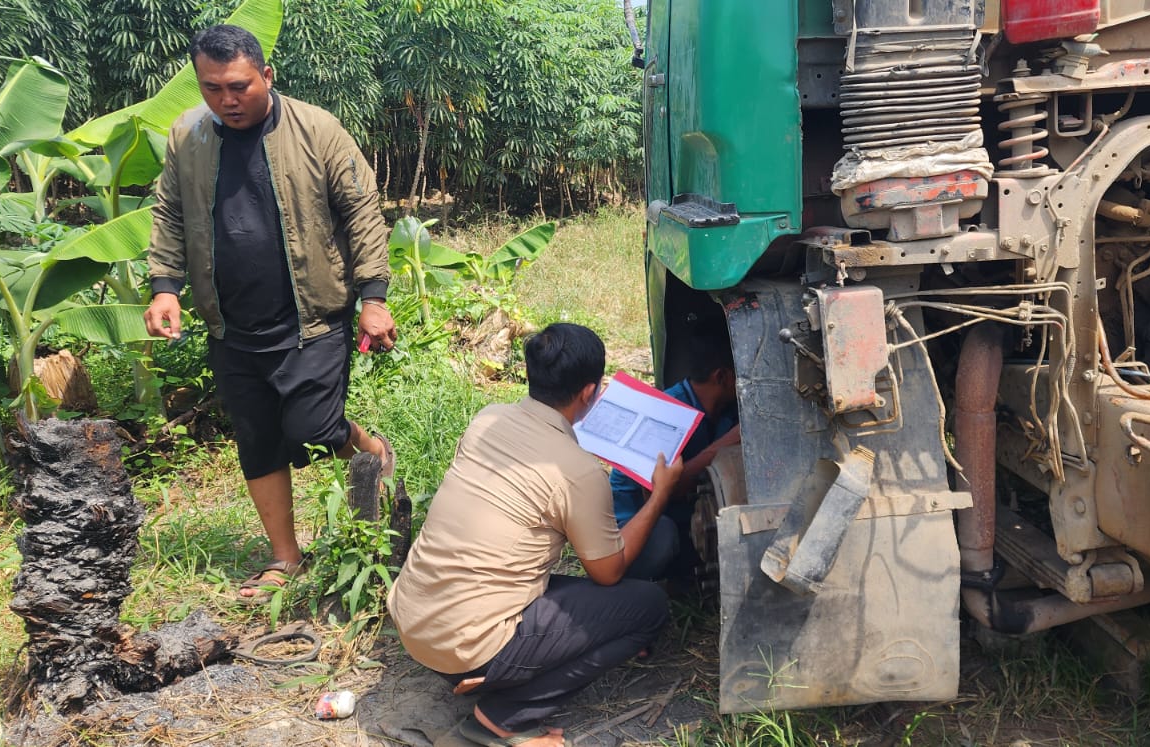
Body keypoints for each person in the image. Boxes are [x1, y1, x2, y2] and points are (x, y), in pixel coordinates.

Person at [142, 24, 396, 604]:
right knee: (256, 439)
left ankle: (373, 450)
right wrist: (165, 288)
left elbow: (361, 211)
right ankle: (285, 557)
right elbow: (170, 213)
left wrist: (374, 298)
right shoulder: (187, 136)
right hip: (230, 322)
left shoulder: (316, 128)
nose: (226, 100)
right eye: (212, 88)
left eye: (239, 86)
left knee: (313, 429)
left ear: (266, 76)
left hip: (311, 316)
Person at [389, 323, 675, 747]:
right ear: (589, 392)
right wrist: (660, 495)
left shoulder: (488, 418)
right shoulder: (577, 470)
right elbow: (608, 573)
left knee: (581, 599)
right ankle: (504, 717)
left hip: (416, 622)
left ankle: (488, 676)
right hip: (468, 648)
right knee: (648, 607)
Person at [609, 339, 739, 582]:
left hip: (678, 512)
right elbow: (665, 491)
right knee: (666, 537)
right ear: (721, 377)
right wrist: (728, 442)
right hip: (632, 529)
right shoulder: (663, 415)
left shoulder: (727, 409)